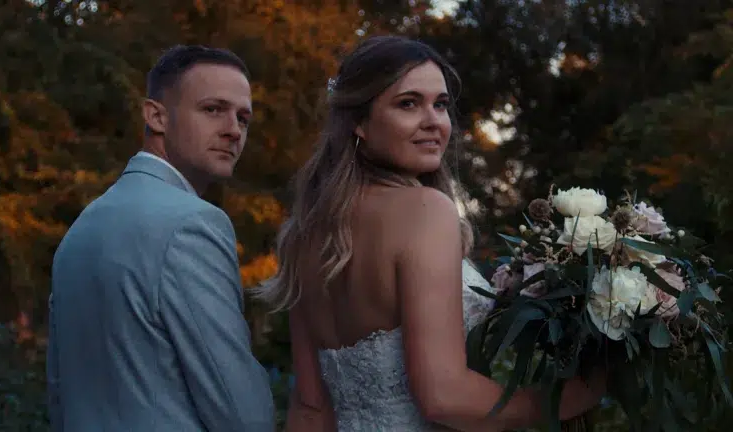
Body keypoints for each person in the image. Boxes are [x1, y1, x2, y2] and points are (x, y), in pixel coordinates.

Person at [253, 36, 604, 431]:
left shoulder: (307, 233)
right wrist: (560, 401)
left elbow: (310, 407)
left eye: (440, 104)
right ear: (358, 122)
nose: (434, 121)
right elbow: (444, 396)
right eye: (408, 104)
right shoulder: (426, 211)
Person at [47, 45, 274, 431]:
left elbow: (59, 393)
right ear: (156, 116)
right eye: (213, 109)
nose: (234, 130)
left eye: (243, 118)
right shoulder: (193, 223)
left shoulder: (82, 227)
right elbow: (241, 413)